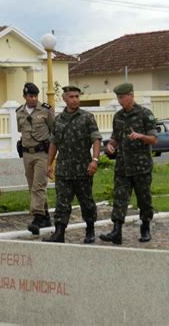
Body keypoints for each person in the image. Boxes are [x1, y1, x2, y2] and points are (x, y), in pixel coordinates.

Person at [100, 82, 158, 245]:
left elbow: (154, 139)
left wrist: (140, 136)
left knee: (144, 200)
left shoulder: (145, 114)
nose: (119, 100)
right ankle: (116, 231)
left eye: (122, 97)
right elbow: (115, 138)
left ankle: (145, 227)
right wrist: (111, 145)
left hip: (141, 167)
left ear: (131, 95)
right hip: (123, 167)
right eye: (118, 98)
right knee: (119, 199)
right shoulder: (118, 116)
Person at [43, 85, 102, 243]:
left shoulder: (87, 117)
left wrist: (95, 160)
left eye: (77, 96)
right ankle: (59, 232)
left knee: (86, 201)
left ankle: (90, 230)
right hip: (63, 169)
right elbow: (54, 143)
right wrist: (49, 164)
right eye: (72, 97)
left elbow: (96, 139)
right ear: (64, 98)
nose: (75, 100)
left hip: (83, 168)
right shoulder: (58, 120)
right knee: (62, 203)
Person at [16, 83, 55, 235]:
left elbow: (54, 130)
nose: (33, 99)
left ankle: (37, 218)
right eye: (30, 96)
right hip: (27, 153)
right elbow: (22, 131)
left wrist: (52, 155)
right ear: (24, 97)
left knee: (38, 186)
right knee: (32, 185)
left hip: (42, 154)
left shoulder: (45, 110)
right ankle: (45, 216)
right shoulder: (19, 112)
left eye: (35, 96)